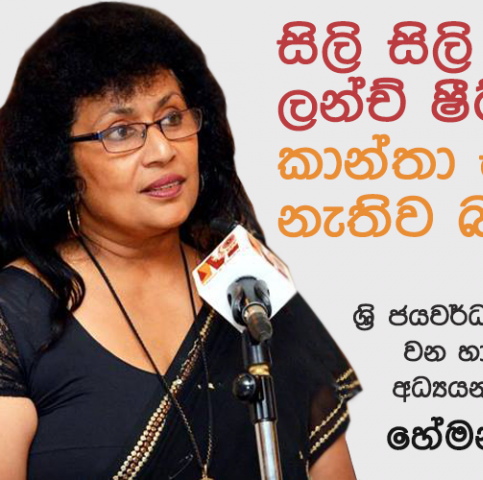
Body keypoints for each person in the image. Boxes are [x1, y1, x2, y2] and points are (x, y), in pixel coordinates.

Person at [0, 3, 361, 479]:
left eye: (172, 118)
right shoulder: (16, 313)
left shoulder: (248, 285)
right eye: (121, 131)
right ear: (59, 161)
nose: (163, 150)